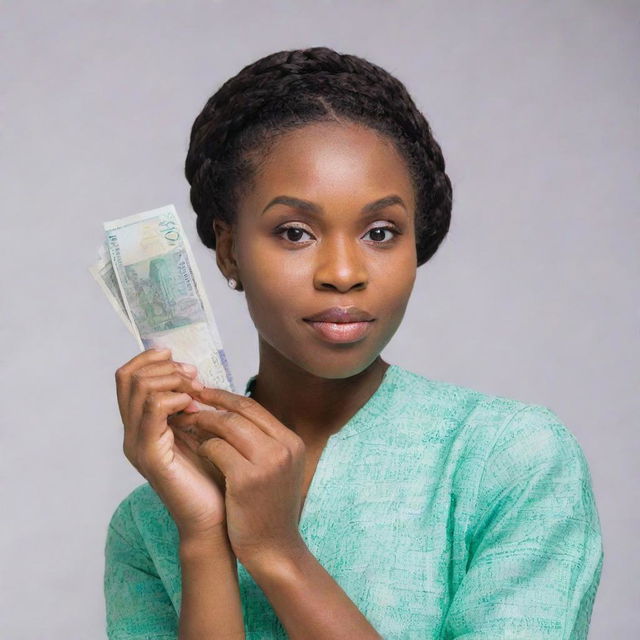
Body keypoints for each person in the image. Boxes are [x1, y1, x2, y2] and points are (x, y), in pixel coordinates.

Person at [103, 46, 603, 640]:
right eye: (295, 232)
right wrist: (206, 537)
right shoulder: (151, 522)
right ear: (229, 248)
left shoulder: (511, 463)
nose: (343, 272)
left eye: (380, 232)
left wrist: (276, 552)